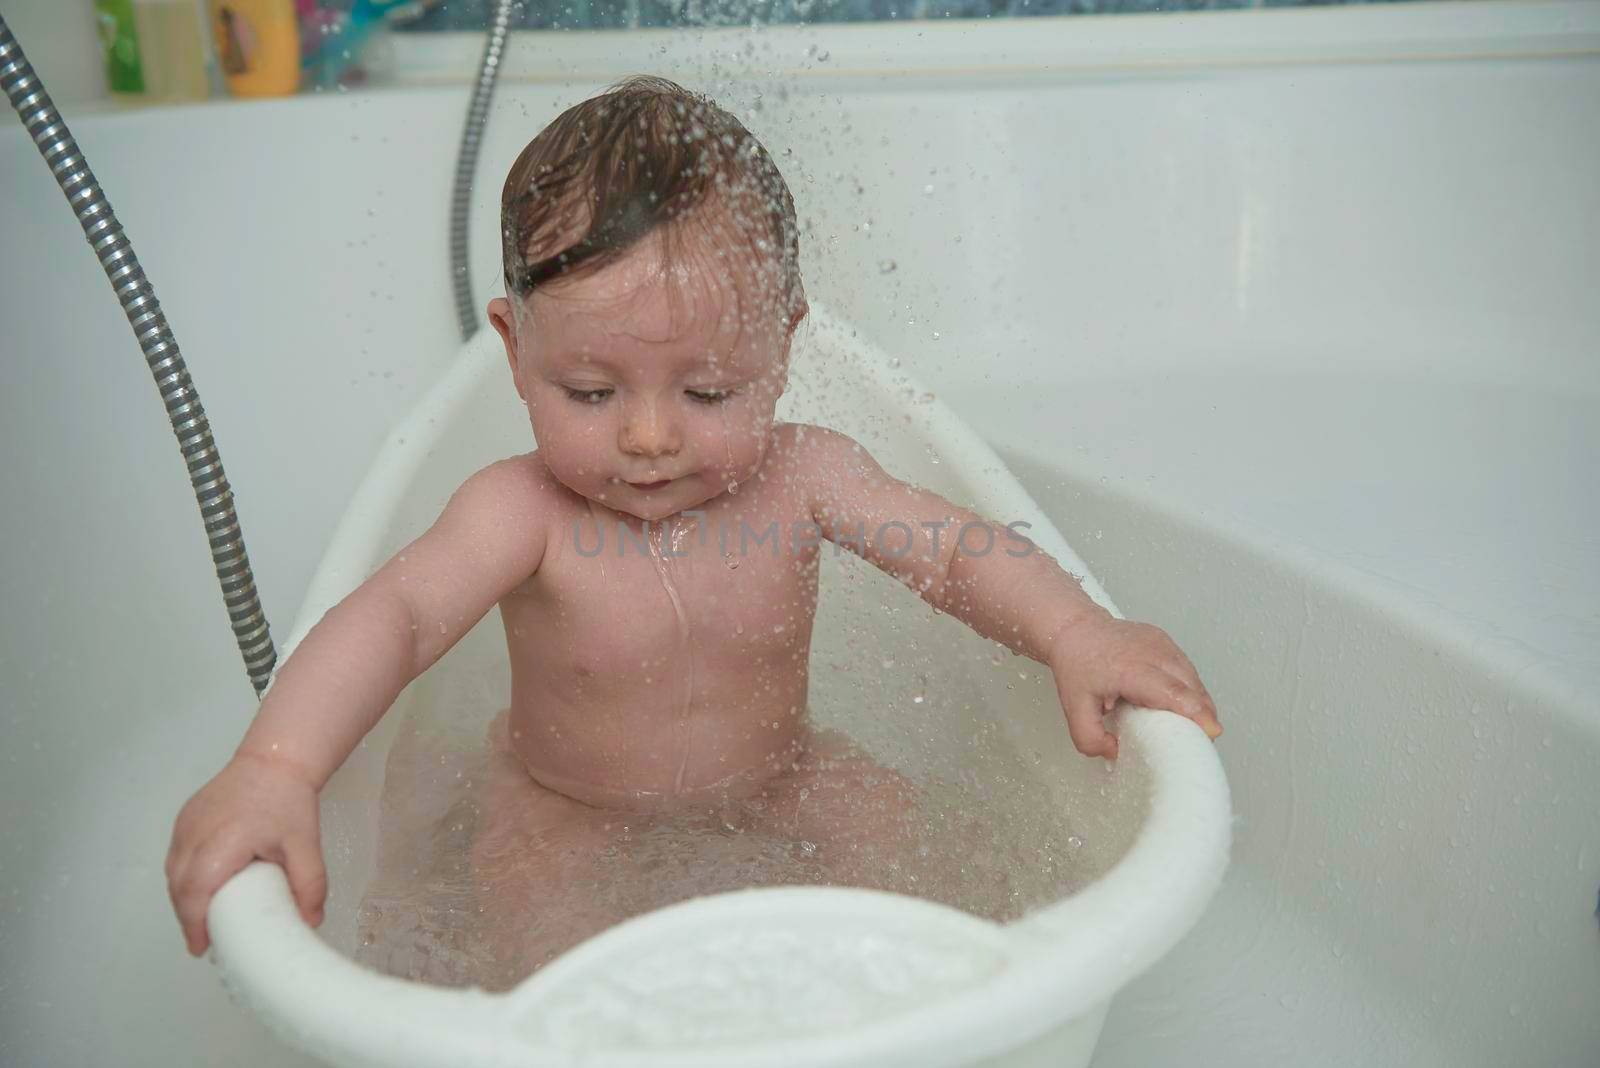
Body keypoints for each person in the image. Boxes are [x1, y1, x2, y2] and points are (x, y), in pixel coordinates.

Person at [166, 75, 1221, 972]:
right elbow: (392, 619)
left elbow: (955, 551)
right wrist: (277, 770)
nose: (650, 438)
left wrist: (1077, 630)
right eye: (589, 392)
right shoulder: (517, 512)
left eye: (710, 393)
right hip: (560, 799)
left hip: (784, 771)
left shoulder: (804, 475)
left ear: (785, 345)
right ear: (513, 347)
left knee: (949, 879)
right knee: (538, 952)